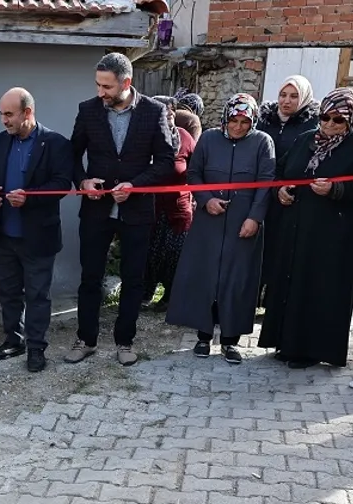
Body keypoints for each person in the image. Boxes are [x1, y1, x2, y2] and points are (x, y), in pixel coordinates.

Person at [67, 52, 176, 367]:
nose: (100, 92)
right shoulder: (87, 110)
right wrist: (83, 181)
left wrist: (136, 185)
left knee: (133, 279)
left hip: (137, 211)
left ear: (126, 83)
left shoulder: (154, 112)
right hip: (96, 211)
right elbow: (71, 155)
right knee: (90, 277)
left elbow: (166, 161)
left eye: (107, 87)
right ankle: (86, 339)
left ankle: (125, 341)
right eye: (98, 85)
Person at [166, 93, 276, 365]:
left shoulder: (263, 142)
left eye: (245, 121)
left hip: (243, 222)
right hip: (209, 221)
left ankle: (230, 340)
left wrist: (255, 218)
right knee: (205, 276)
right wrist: (206, 200)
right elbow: (194, 174)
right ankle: (203, 336)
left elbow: (266, 182)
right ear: (225, 118)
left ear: (253, 121)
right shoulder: (209, 139)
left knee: (237, 279)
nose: (238, 126)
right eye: (234, 120)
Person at [258, 87, 353, 369]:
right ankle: (285, 343)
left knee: (318, 287)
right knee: (291, 281)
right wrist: (281, 190)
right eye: (325, 117)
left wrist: (336, 190)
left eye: (338, 120)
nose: (329, 124)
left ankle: (311, 350)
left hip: (332, 233)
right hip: (294, 226)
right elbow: (280, 172)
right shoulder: (304, 140)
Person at [0, 88, 73, 372]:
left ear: (28, 113)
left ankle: (36, 348)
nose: (4, 120)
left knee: (37, 295)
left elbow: (62, 184)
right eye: (1, 114)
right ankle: (14, 340)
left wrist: (30, 197)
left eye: (9, 114)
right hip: (5, 234)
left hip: (38, 235)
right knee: (8, 292)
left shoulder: (55, 143)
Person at [256, 75, 320, 308]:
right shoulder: (265, 120)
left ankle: (274, 303)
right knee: (259, 247)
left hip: (292, 196)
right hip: (262, 191)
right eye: (283, 95)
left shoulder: (312, 125)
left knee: (283, 250)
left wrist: (284, 186)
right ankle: (250, 299)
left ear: (303, 98)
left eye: (294, 96)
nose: (287, 101)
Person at [142, 96, 197, 312]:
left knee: (175, 254)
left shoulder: (184, 137)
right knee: (149, 252)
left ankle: (171, 296)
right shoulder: (144, 138)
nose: (170, 114)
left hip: (179, 208)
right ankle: (145, 293)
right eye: (165, 111)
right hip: (150, 207)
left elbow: (197, 168)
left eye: (172, 110)